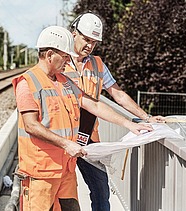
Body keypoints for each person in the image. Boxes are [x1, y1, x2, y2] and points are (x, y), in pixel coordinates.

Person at [12, 25, 153, 211]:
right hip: (41, 175)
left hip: (65, 172)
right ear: (49, 56)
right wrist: (66, 144)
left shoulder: (65, 82)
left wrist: (129, 124)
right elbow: (31, 125)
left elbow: (93, 104)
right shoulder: (27, 83)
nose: (68, 61)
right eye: (64, 57)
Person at [64, 12, 166, 211]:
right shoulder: (59, 61)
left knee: (101, 189)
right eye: (86, 39)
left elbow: (118, 95)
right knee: (65, 197)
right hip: (62, 140)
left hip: (88, 141)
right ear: (73, 33)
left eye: (94, 42)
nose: (89, 46)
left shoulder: (97, 65)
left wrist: (146, 117)